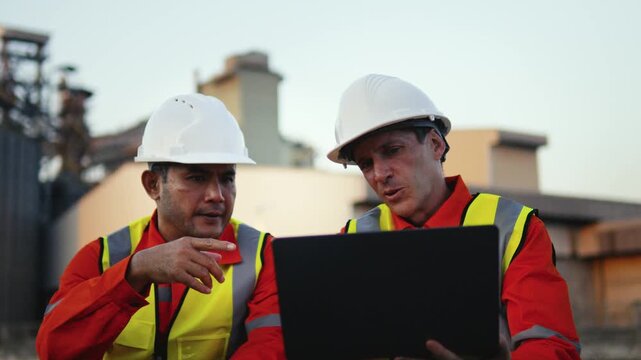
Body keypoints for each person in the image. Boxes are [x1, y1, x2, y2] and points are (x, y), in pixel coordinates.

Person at [327, 74, 581, 359]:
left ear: (436, 144)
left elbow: (550, 346)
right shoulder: (351, 240)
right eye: (366, 163)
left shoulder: (513, 228)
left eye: (392, 150)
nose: (379, 174)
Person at [36, 94, 285, 359]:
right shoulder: (101, 257)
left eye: (227, 178)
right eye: (197, 177)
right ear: (153, 185)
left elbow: (272, 349)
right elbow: (53, 350)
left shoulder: (264, 256)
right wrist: (134, 272)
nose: (217, 194)